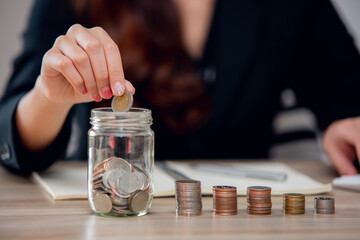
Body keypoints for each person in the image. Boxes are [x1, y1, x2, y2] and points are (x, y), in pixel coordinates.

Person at [0, 0, 359, 176]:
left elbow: (348, 103)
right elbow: (10, 128)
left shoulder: (293, 6)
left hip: (245, 221)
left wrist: (343, 128)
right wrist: (48, 97)